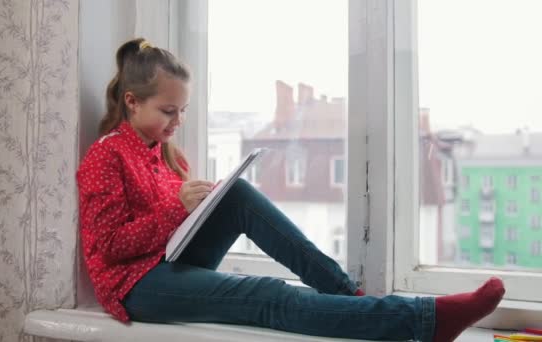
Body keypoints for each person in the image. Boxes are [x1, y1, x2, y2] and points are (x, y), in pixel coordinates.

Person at [76, 38, 505, 342]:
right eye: (167, 111)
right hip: (134, 287)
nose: (177, 122)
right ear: (132, 102)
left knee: (236, 195)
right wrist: (177, 207)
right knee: (266, 295)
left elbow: (174, 231)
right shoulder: (105, 156)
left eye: (183, 111)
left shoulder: (166, 153)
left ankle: (346, 296)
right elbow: (108, 246)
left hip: (167, 261)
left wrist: (199, 206)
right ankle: (425, 321)